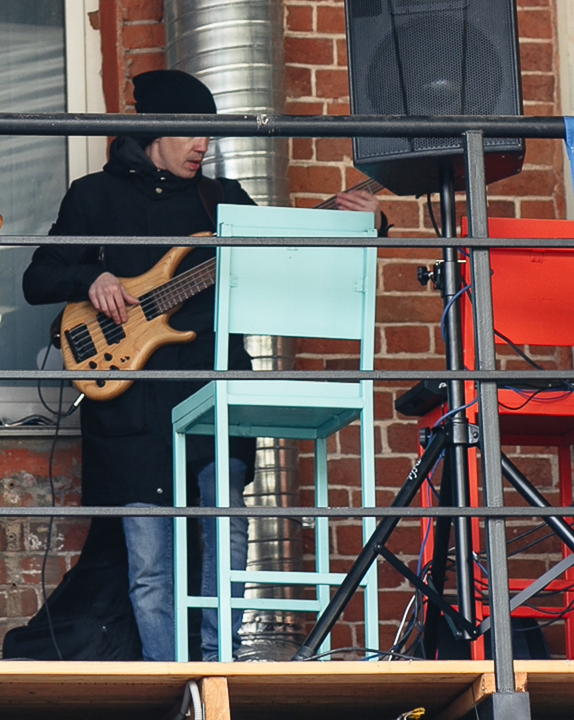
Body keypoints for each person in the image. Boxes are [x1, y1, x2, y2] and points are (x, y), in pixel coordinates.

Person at [20, 69, 386, 662]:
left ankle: (220, 666)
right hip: (131, 405)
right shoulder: (93, 196)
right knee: (149, 564)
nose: (202, 145)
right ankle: (168, 677)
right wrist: (92, 276)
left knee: (228, 533)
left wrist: (360, 225)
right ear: (156, 131)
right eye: (192, 131)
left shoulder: (224, 201)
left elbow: (289, 259)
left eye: (208, 134)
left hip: (214, 392)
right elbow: (37, 278)